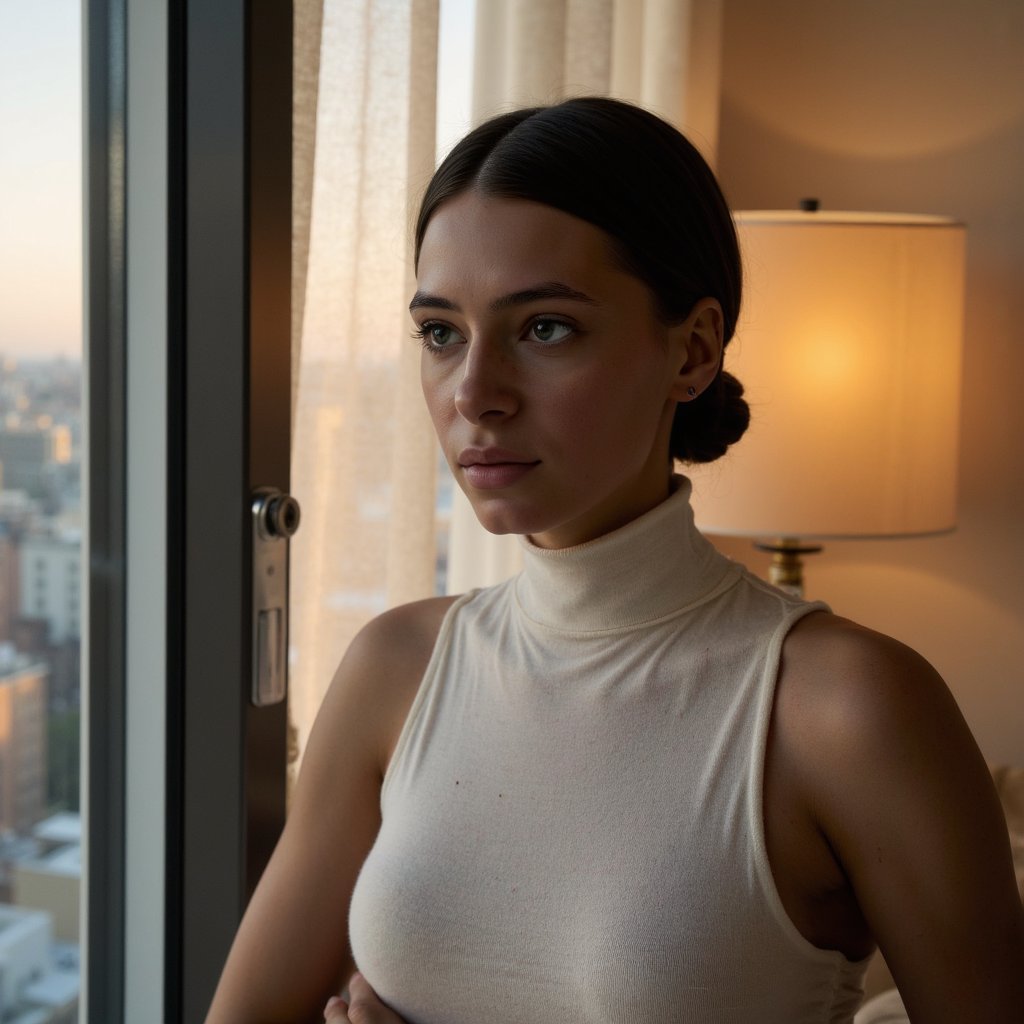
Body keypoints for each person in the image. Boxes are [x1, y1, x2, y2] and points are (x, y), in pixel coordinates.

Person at [206, 97, 1024, 1024]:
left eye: (545, 327)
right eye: (442, 333)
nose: (474, 394)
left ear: (695, 349)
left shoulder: (845, 707)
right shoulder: (397, 668)